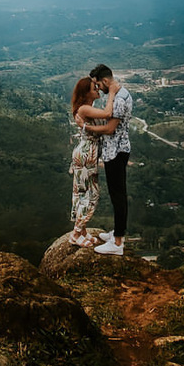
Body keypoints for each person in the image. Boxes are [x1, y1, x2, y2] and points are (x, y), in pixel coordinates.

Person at [77, 63, 132, 256]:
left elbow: (110, 128)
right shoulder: (121, 94)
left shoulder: (118, 99)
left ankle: (117, 243)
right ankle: (117, 234)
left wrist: (87, 129)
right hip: (115, 151)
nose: (98, 88)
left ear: (106, 81)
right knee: (117, 194)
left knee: (118, 196)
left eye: (98, 85)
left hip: (116, 152)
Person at [68, 75, 114, 247]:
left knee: (82, 192)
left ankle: (83, 231)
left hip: (87, 153)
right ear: (86, 92)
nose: (97, 89)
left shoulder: (86, 108)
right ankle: (75, 234)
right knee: (90, 195)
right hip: (87, 154)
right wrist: (113, 93)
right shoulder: (85, 109)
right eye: (94, 87)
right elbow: (108, 113)